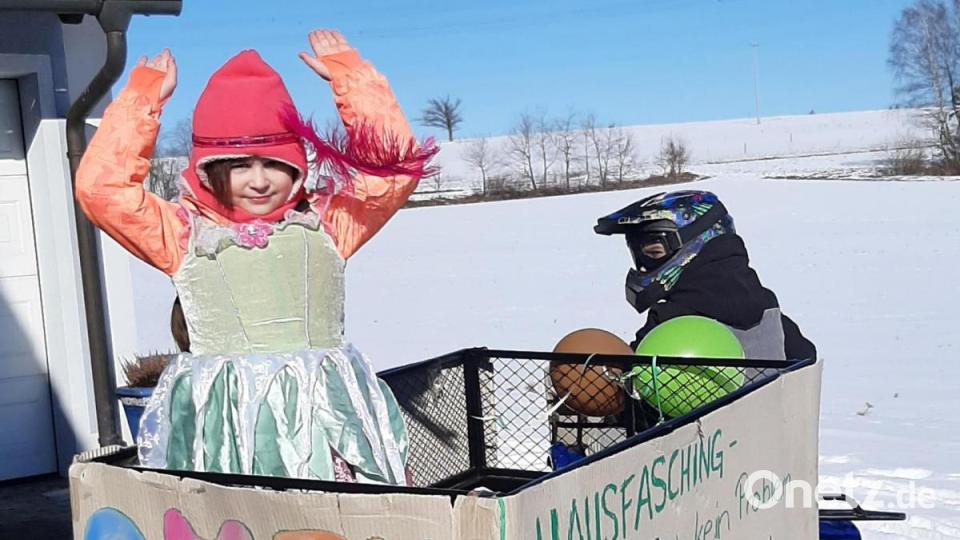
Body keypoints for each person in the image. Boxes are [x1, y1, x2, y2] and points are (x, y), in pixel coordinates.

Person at [75, 30, 436, 483]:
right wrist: (141, 103)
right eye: (240, 165)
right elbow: (101, 190)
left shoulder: (324, 224)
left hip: (324, 420)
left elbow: (394, 169)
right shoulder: (184, 235)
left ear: (297, 166)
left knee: (334, 519)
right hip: (229, 426)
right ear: (208, 169)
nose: (260, 181)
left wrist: (352, 80)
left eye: (276, 164)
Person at [594, 190, 816, 361]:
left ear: (693, 246)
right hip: (768, 420)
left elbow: (624, 389)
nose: (643, 269)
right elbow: (806, 361)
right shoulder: (770, 311)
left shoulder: (671, 320)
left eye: (653, 254)